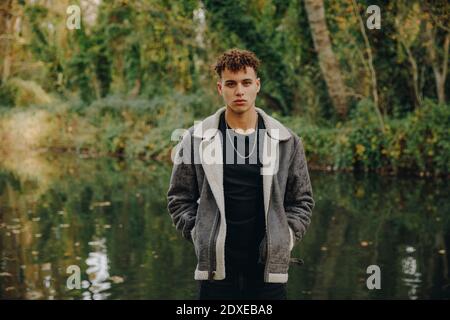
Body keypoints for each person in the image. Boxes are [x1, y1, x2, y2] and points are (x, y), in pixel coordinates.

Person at [167, 48, 315, 300]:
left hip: (268, 271)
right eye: (231, 83)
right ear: (219, 88)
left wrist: (284, 238)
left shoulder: (286, 141)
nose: (239, 91)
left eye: (246, 83)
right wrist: (199, 234)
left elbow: (302, 201)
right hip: (216, 270)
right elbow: (179, 199)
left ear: (257, 85)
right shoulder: (195, 139)